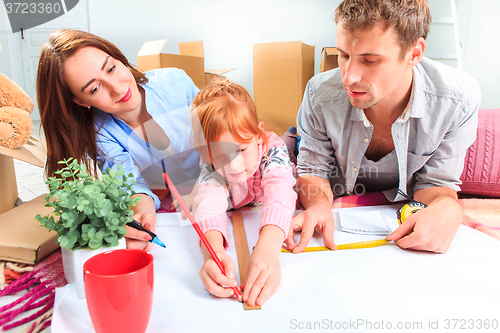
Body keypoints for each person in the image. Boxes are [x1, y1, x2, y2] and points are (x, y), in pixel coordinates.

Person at [286, 0, 480, 254]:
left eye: (369, 60)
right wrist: (319, 205)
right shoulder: (319, 94)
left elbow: (435, 185)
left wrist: (449, 207)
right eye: (343, 55)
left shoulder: (456, 101)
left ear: (414, 53)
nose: (349, 77)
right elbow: (314, 170)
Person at [37, 29, 200, 252]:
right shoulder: (99, 133)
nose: (117, 88)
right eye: (95, 88)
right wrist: (143, 216)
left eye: (111, 68)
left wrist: (209, 185)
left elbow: (219, 135)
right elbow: (132, 183)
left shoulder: (176, 83)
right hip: (173, 216)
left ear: (119, 58)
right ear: (80, 100)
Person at [190, 81, 297, 306]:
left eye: (241, 149)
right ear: (207, 154)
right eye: (221, 156)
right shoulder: (208, 163)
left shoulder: (270, 149)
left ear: (258, 134)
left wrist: (268, 248)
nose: (235, 167)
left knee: (288, 147)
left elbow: (279, 190)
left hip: (273, 170)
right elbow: (210, 202)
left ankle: (291, 136)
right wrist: (213, 252)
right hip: (239, 202)